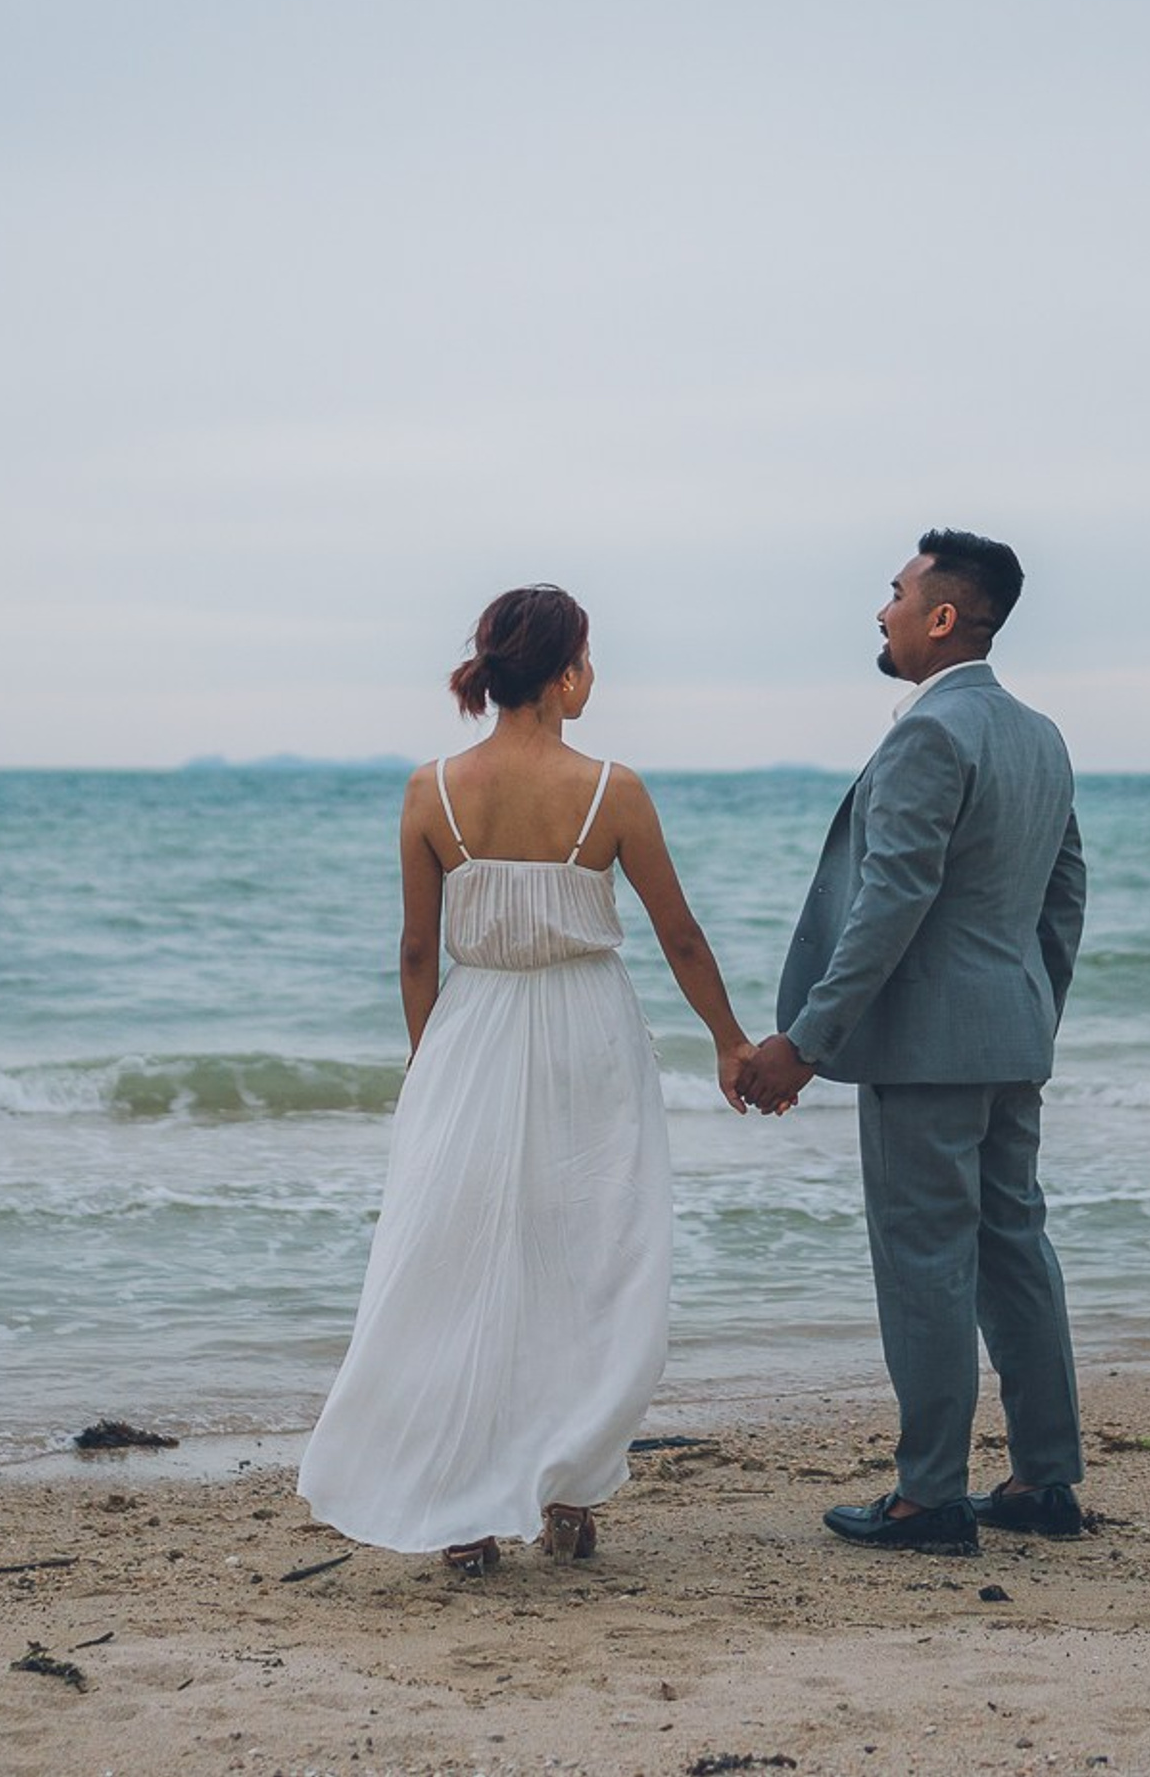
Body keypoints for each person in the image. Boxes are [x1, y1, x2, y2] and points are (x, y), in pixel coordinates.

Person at [298, 583, 756, 1572]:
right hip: (587, 1034)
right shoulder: (612, 789)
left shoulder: (431, 789)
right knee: (589, 1258)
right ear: (564, 671)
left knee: (463, 1267)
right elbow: (679, 934)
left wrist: (432, 1067)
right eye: (588, 658)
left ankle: (466, 1510)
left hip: (474, 1027)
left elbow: (416, 951)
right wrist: (729, 1039)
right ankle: (566, 1490)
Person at [736, 531, 1087, 1556]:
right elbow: (1064, 896)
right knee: (1014, 1250)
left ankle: (929, 1496)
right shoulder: (1039, 734)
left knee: (925, 1261)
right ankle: (1043, 1480)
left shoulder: (930, 735)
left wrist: (804, 1040)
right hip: (1008, 1040)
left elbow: (888, 905)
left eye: (893, 594)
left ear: (941, 616)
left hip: (926, 1053)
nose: (880, 611)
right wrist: (1031, 1014)